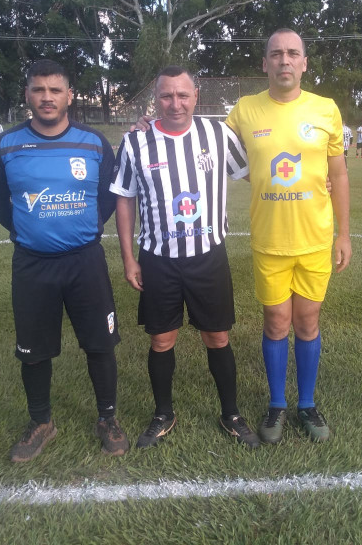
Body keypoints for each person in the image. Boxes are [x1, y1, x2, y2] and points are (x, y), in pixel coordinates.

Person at [0, 59, 128, 462]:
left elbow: (107, 197)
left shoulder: (93, 143)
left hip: (85, 262)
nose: (46, 97)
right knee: (34, 350)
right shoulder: (6, 145)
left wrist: (82, 227)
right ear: (27, 94)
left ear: (69, 95)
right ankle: (41, 422)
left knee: (101, 344)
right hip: (32, 265)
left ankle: (107, 418)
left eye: (55, 90)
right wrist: (26, 229)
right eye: (38, 89)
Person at [111, 66, 260, 449]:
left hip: (208, 256)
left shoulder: (218, 134)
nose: (174, 103)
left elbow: (254, 172)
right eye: (166, 95)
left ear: (196, 96)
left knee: (218, 336)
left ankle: (231, 413)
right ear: (155, 99)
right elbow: (124, 199)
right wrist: (129, 258)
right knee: (161, 340)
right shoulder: (135, 143)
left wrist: (314, 177)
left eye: (182, 95)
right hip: (158, 258)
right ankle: (163, 413)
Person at [225, 28, 351, 444]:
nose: (284, 60)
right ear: (265, 63)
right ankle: (277, 404)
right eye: (276, 53)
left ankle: (307, 404)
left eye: (293, 53)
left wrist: (344, 235)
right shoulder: (244, 110)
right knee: (277, 321)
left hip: (315, 238)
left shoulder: (326, 109)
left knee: (307, 321)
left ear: (304, 63)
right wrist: (149, 124)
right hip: (269, 240)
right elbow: (204, 145)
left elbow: (339, 174)